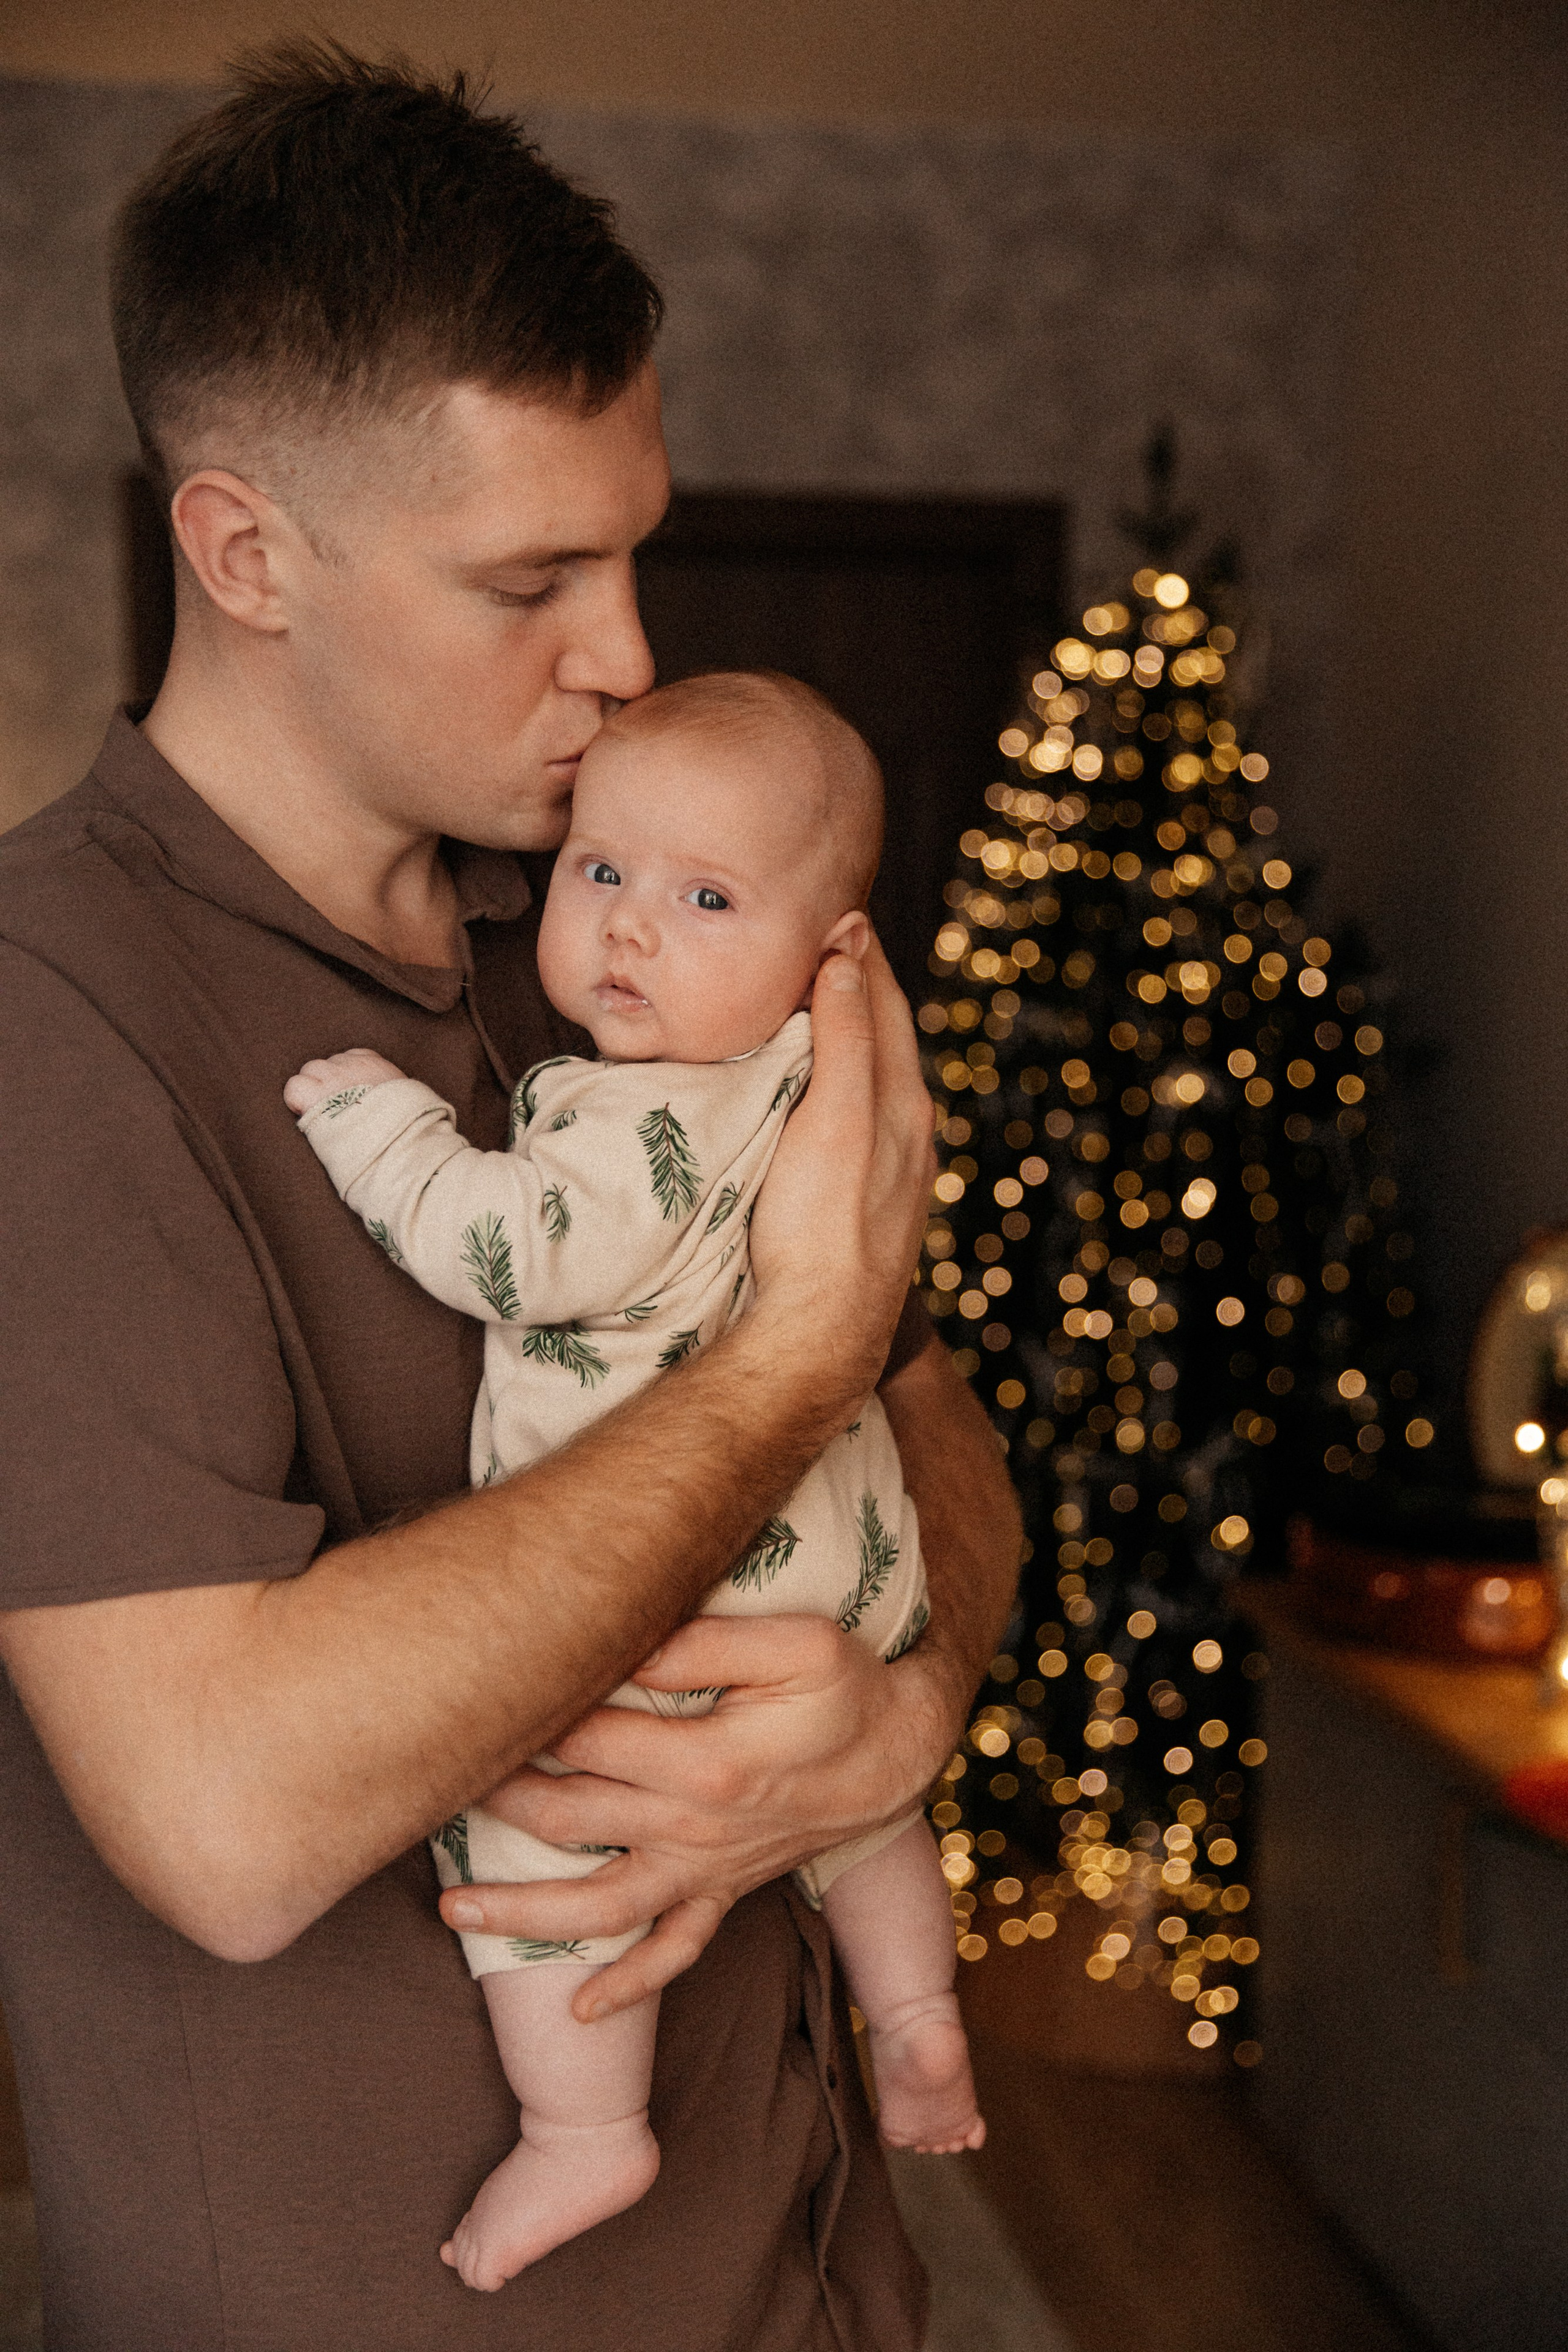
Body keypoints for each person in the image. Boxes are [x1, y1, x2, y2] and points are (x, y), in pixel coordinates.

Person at [0, 43, 1020, 2352]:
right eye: (531, 575)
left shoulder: (630, 926)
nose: (631, 654)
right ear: (247, 549)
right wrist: (777, 1370)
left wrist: (911, 1701)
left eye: (633, 550)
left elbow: (933, 1423)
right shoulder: (49, 1017)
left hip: (825, 2276)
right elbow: (227, 1823)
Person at [287, 671, 987, 2291]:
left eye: (705, 897)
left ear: (833, 947)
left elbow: (515, 1249)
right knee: (867, 1796)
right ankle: (922, 2018)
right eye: (602, 870)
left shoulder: (644, 1121)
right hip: (850, 1554)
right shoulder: (825, 1084)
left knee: (539, 1833)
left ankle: (586, 2131)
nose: (630, 932)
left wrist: (383, 1134)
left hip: (700, 1585)